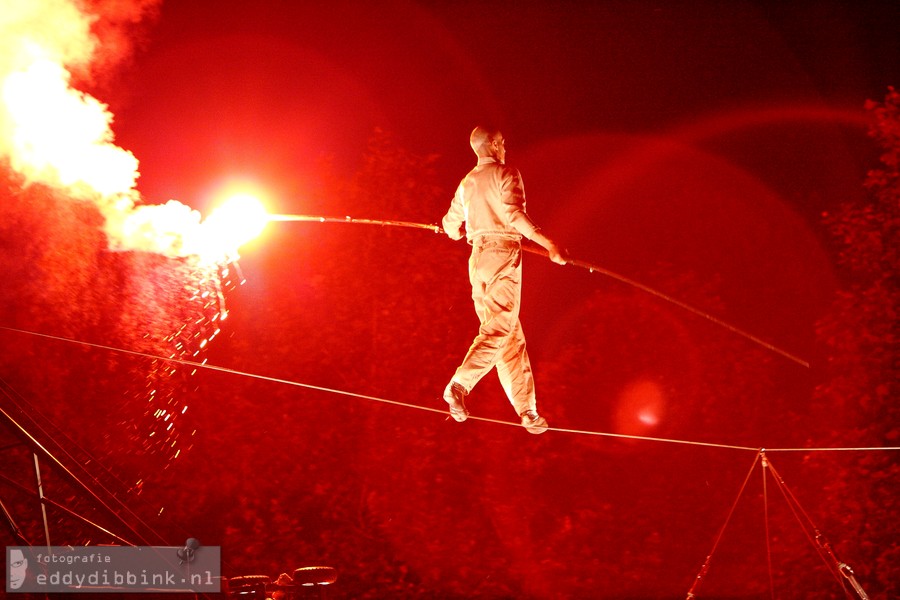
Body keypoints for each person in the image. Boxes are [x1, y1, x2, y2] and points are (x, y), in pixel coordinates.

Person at [441, 126, 566, 434]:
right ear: (495, 145)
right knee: (499, 329)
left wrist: (459, 228)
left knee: (507, 334)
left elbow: (449, 225)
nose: (505, 147)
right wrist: (548, 243)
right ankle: (458, 385)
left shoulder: (467, 182)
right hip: (501, 255)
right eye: (503, 143)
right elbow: (514, 216)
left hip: (477, 261)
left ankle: (527, 410)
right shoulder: (505, 173)